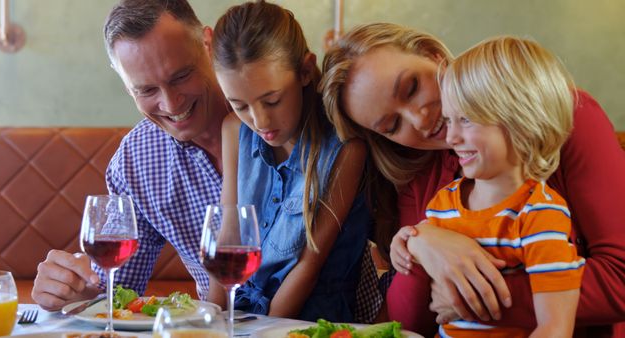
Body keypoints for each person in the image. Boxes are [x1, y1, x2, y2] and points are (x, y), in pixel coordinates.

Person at [320, 23, 625, 336]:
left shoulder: (564, 115)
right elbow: (408, 323)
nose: (420, 120)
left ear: (434, 55)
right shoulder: (421, 177)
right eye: (392, 125)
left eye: (412, 87)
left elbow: (620, 278)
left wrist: (472, 300)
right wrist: (423, 242)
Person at [31, 0, 229, 310]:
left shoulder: (272, 118)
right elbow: (116, 288)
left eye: (180, 77)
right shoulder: (135, 160)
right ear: (126, 84)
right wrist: (76, 290)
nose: (172, 104)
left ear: (208, 43)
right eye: (146, 90)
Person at [409, 36, 584, 337]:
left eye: (466, 120)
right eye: (449, 120)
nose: (450, 137)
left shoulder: (540, 214)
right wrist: (408, 242)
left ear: (523, 125)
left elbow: (555, 327)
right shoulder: (444, 201)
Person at [207, 1, 371, 322]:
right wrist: (209, 321)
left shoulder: (345, 148)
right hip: (241, 314)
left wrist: (264, 331)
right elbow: (227, 244)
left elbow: (308, 266)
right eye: (240, 104)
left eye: (272, 100)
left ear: (306, 71)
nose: (259, 120)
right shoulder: (233, 130)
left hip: (306, 319)